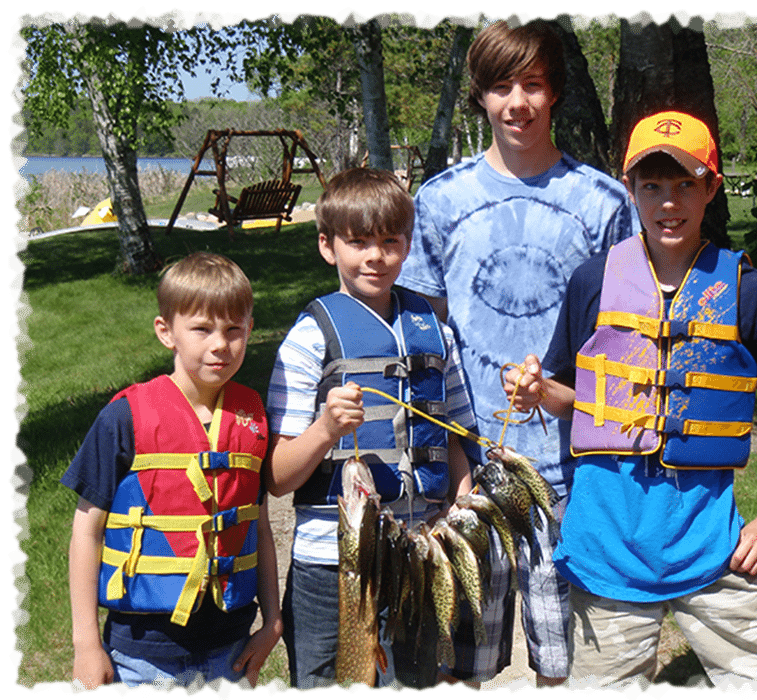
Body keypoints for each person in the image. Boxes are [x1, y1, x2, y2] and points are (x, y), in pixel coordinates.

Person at [504, 111, 757, 692]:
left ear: (712, 187)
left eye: (685, 184)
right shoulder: (592, 280)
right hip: (607, 553)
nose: (668, 202)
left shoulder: (746, 291)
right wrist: (537, 391)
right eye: (651, 186)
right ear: (630, 188)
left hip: (713, 551)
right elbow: (571, 396)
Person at [397, 17, 639, 689]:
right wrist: (448, 462)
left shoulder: (605, 203)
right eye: (502, 86)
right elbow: (424, 346)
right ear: (480, 96)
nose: (518, 103)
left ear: (555, 93)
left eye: (533, 85)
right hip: (475, 472)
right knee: (463, 659)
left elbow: (627, 338)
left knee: (570, 662)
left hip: (573, 470)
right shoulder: (440, 201)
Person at [265, 167, 479, 690]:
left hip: (419, 550)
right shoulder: (308, 339)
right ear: (327, 246)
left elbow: (454, 434)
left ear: (407, 245)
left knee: (416, 682)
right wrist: (323, 431)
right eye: (358, 242)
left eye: (389, 241)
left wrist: (462, 499)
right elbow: (277, 477)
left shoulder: (436, 331)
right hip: (330, 565)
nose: (375, 256)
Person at [62, 252, 283, 691]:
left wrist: (273, 622)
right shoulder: (124, 417)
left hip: (230, 647)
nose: (220, 344)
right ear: (167, 333)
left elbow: (257, 524)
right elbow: (86, 532)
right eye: (201, 329)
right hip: (142, 652)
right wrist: (86, 642)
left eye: (234, 329)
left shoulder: (252, 416)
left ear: (250, 330)